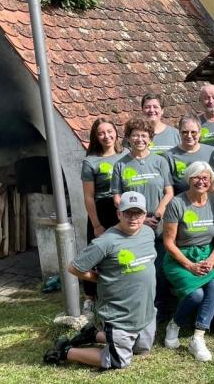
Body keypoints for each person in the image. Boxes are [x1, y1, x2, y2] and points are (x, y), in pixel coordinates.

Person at [43, 191, 157, 369]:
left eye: (138, 213)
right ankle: (65, 350)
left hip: (145, 310)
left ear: (145, 214)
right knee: (119, 361)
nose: (133, 218)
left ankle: (93, 335)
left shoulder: (148, 233)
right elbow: (74, 267)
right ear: (119, 213)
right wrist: (100, 278)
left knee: (141, 348)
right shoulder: (106, 242)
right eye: (128, 213)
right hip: (120, 313)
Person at [112, 116, 174, 318]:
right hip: (134, 226)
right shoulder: (120, 165)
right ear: (128, 138)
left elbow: (169, 191)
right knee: (138, 267)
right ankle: (139, 307)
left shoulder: (159, 161)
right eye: (135, 135)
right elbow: (117, 196)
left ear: (150, 138)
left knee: (160, 267)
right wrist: (139, 218)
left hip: (159, 223)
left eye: (144, 135)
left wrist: (158, 213)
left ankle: (161, 306)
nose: (139, 139)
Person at [162, 161, 214, 362]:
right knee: (195, 295)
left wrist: (213, 257)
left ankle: (198, 337)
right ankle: (175, 323)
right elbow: (168, 242)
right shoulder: (177, 204)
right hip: (180, 256)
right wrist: (189, 265)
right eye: (196, 177)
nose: (201, 181)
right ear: (189, 179)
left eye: (205, 178)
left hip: (207, 253)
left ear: (210, 181)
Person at [80, 117, 127, 313]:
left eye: (110, 131)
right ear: (96, 137)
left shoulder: (126, 155)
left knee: (120, 252)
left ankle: (119, 292)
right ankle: (90, 296)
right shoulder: (90, 162)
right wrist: (96, 224)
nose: (106, 136)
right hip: (101, 210)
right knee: (95, 254)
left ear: (116, 132)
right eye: (101, 133)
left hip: (123, 209)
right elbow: (89, 197)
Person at [165, 115, 214, 195]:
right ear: (179, 133)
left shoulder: (211, 151)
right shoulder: (169, 156)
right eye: (185, 132)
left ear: (200, 132)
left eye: (193, 132)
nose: (189, 136)